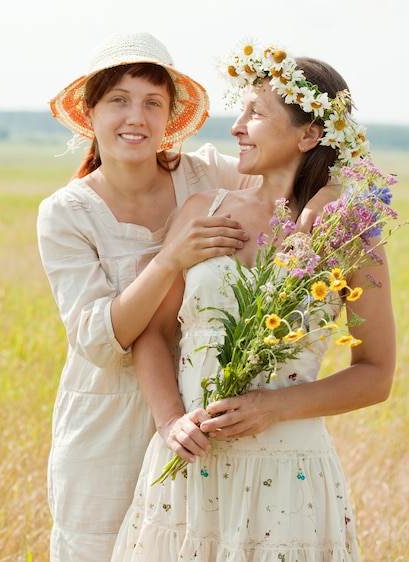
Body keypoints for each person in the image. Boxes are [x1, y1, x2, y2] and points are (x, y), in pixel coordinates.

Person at [37, 32, 336, 562]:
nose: (137, 116)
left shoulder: (201, 175)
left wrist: (335, 188)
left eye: (153, 102)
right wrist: (170, 258)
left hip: (205, 413)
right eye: (118, 100)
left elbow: (292, 168)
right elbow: (103, 343)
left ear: (171, 115)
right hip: (108, 420)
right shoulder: (66, 212)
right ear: (91, 112)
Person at [111, 41, 396, 561]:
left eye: (255, 114)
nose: (237, 126)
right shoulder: (206, 209)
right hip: (191, 465)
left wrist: (271, 407)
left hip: (289, 475)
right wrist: (171, 420)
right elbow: (154, 332)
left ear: (310, 134)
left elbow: (376, 374)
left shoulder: (346, 231)